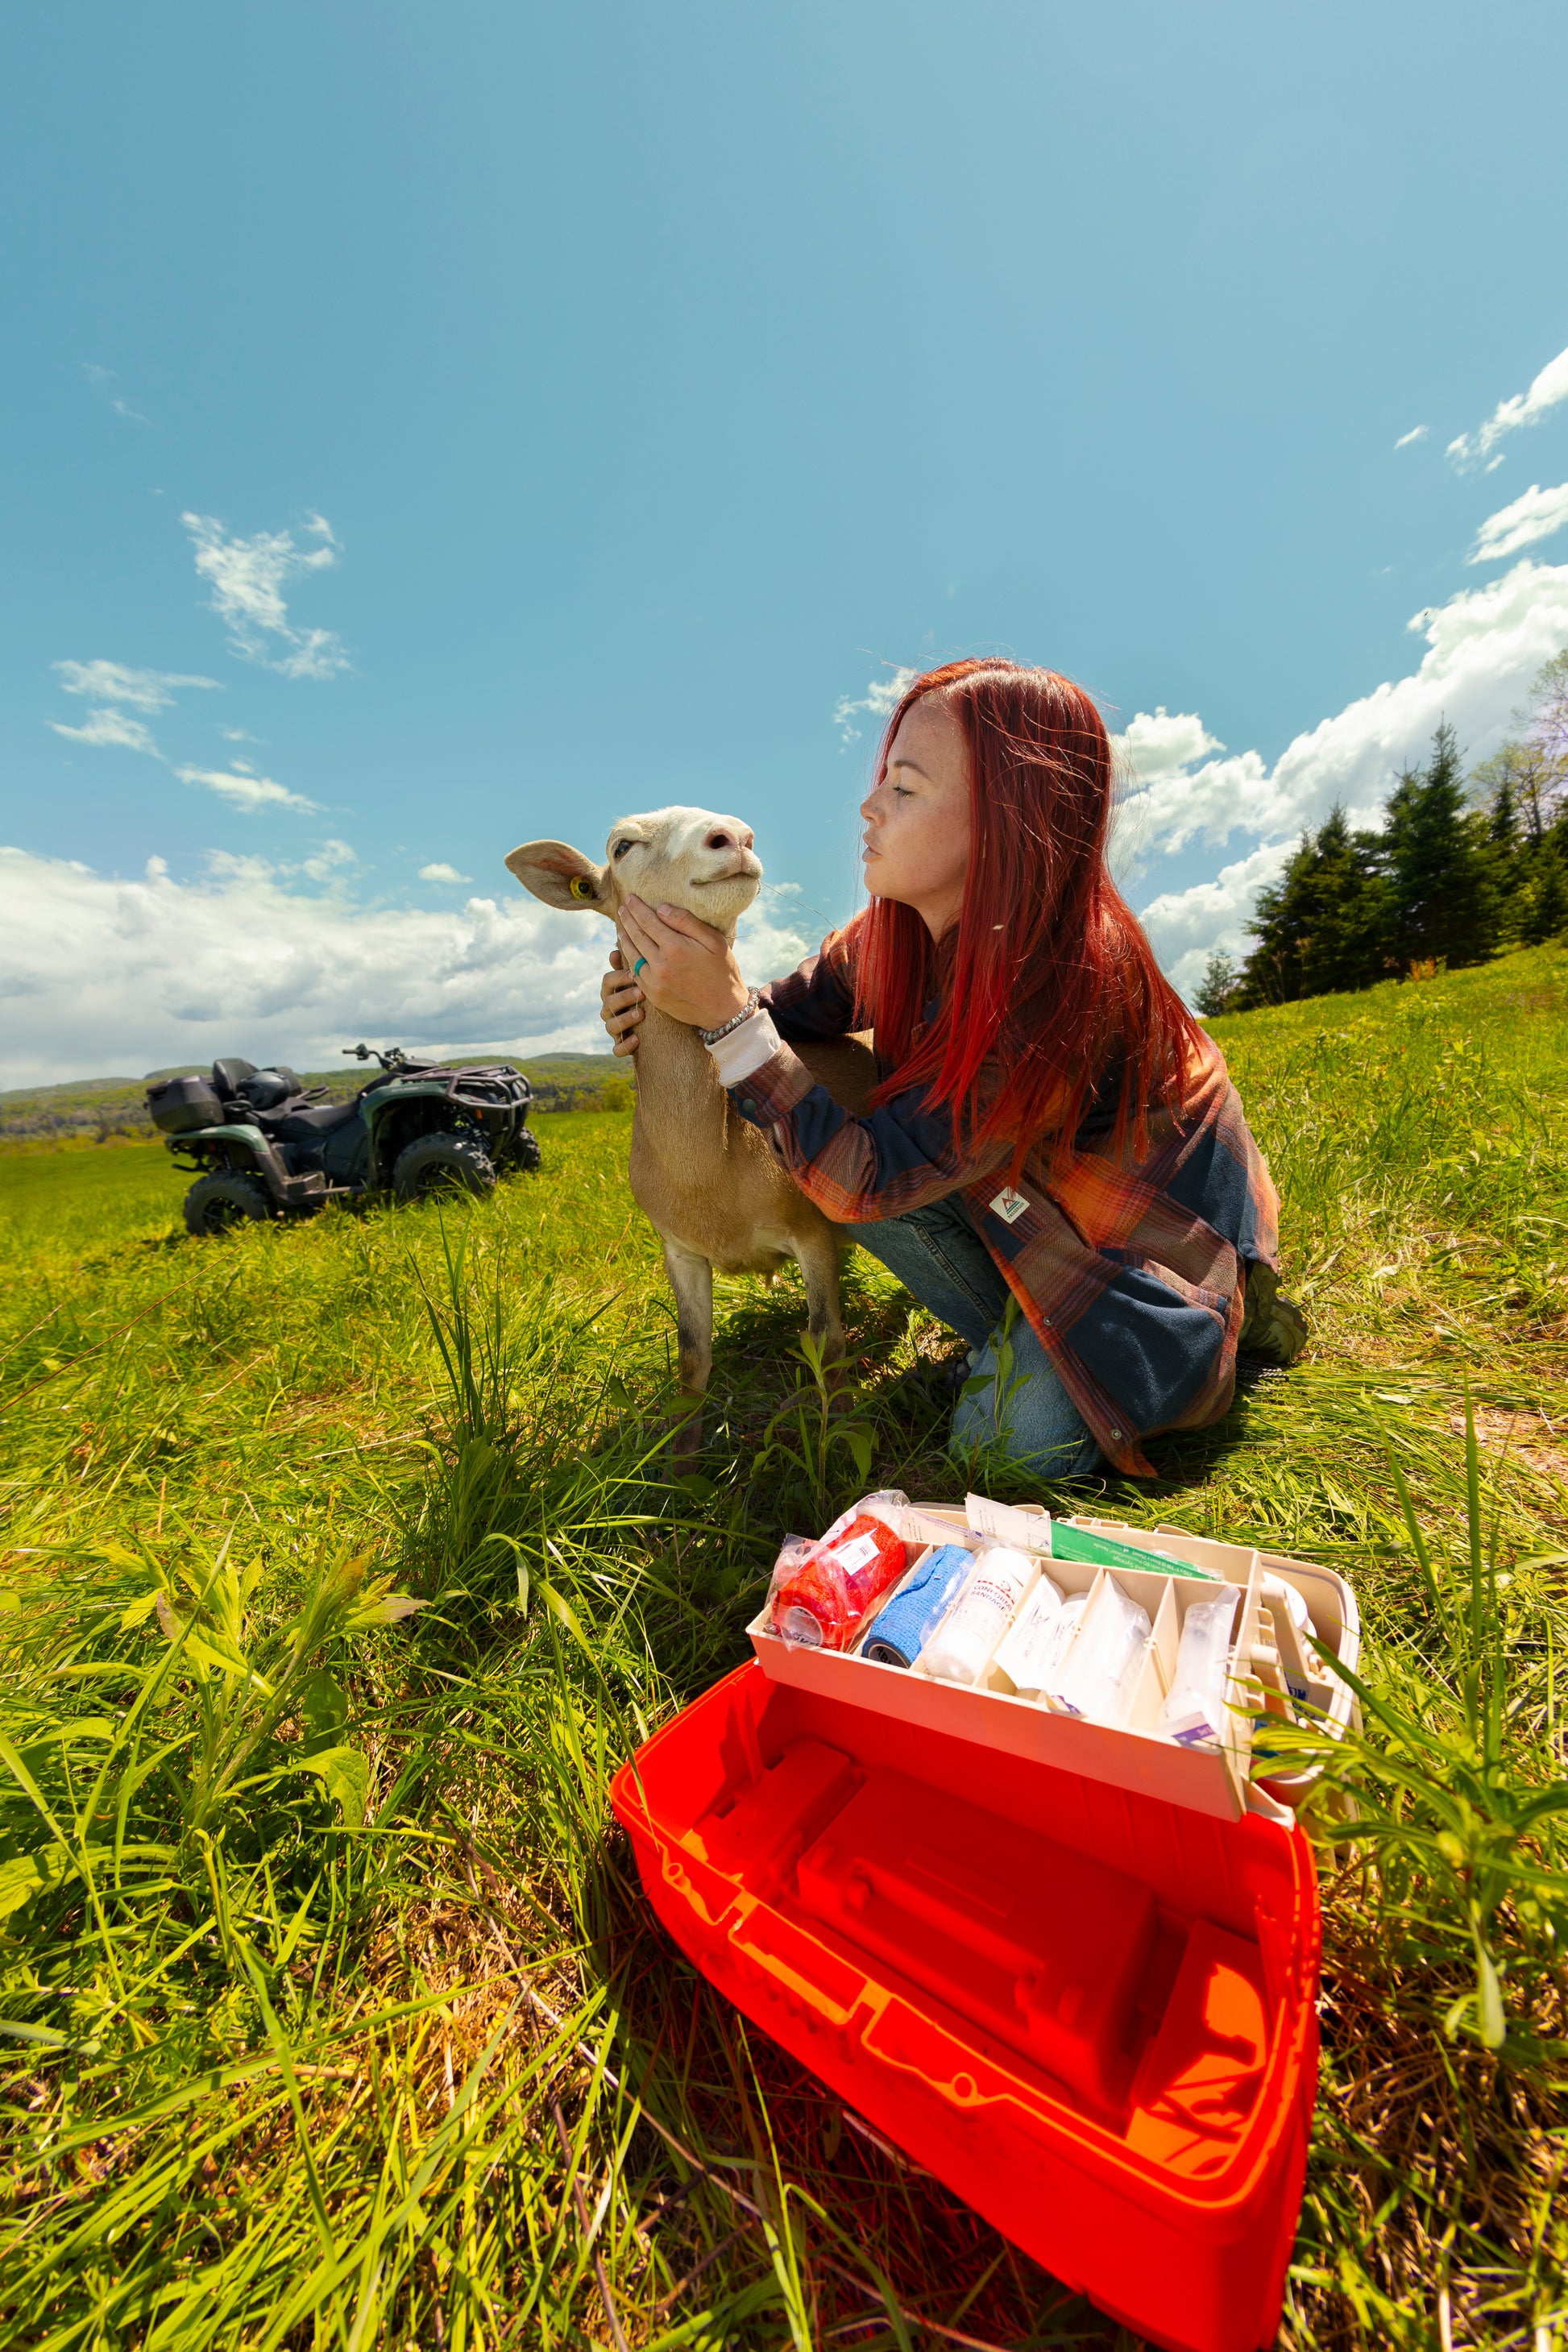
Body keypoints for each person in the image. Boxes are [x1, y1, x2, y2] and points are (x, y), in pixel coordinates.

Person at [599, 659, 1304, 1480]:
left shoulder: (1052, 989)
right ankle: (1020, 1331)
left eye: (903, 789)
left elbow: (854, 1171)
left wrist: (723, 1019)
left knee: (1002, 1446)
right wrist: (664, 1016)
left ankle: (1231, 1318)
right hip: (1019, 1201)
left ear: (1004, 823)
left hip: (1134, 1259)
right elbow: (782, 1009)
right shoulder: (894, 935)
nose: (867, 807)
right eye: (878, 782)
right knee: (820, 1128)